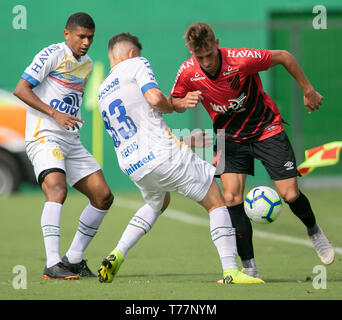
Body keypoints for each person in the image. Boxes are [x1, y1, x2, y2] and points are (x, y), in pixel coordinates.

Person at [96, 32, 264, 284]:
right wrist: (176, 103)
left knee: (157, 203)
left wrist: (186, 142)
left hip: (133, 165)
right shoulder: (137, 63)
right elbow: (154, 98)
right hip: (162, 155)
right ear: (132, 54)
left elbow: (143, 130)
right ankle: (231, 271)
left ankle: (117, 253)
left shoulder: (102, 91)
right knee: (217, 202)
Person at [170, 22, 335, 277]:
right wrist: (182, 102)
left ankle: (313, 230)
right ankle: (250, 268)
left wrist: (308, 90)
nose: (205, 62)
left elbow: (284, 56)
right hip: (229, 137)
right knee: (232, 199)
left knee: (290, 195)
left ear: (217, 43)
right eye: (199, 57)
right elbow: (173, 101)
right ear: (192, 53)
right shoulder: (188, 71)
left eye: (209, 55)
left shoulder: (241, 59)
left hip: (266, 128)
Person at [13, 12, 114, 280]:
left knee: (103, 196)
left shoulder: (88, 64)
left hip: (70, 139)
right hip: (44, 134)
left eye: (90, 37)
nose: (86, 42)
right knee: (57, 190)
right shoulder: (51, 54)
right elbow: (21, 89)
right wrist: (54, 113)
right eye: (81, 36)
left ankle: (73, 259)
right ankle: (52, 263)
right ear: (67, 33)